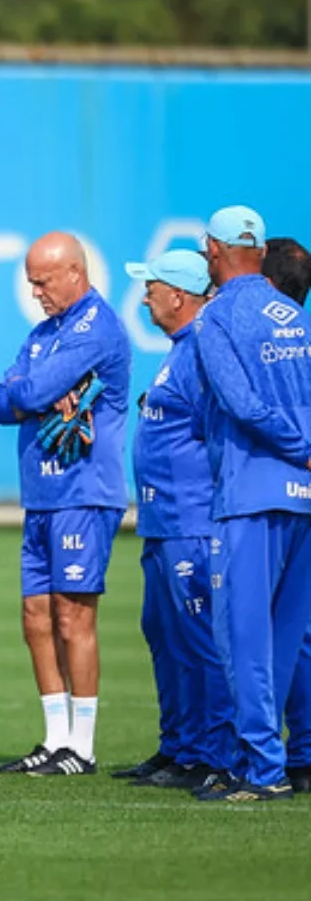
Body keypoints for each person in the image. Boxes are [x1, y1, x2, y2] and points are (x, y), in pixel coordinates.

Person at [0, 232, 131, 776]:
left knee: (73, 615)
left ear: (75, 272)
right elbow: (1, 402)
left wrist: (29, 393)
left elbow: (24, 392)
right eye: (31, 283)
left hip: (83, 491)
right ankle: (55, 738)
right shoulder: (43, 333)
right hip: (43, 494)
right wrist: (33, 394)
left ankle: (83, 746)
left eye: (43, 282)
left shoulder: (97, 327)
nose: (36, 293)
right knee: (36, 616)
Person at [191, 207, 311, 802]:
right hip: (303, 498)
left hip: (251, 490)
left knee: (243, 637)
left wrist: (299, 446)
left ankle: (261, 768)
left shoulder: (216, 317)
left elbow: (240, 404)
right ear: (260, 251)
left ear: (213, 251)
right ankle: (266, 758)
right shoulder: (295, 315)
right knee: (285, 638)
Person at [116, 250, 229, 791]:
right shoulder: (181, 349)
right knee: (165, 634)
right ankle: (180, 747)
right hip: (163, 521)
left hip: (190, 521)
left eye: (152, 288)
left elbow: (217, 434)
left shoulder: (202, 351)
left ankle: (214, 752)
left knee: (199, 638)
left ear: (179, 296)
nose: (145, 298)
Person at [262, 237, 311, 793]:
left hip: (276, 498)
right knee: (298, 634)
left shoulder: (270, 352)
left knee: (266, 635)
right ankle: (302, 754)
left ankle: (261, 757)